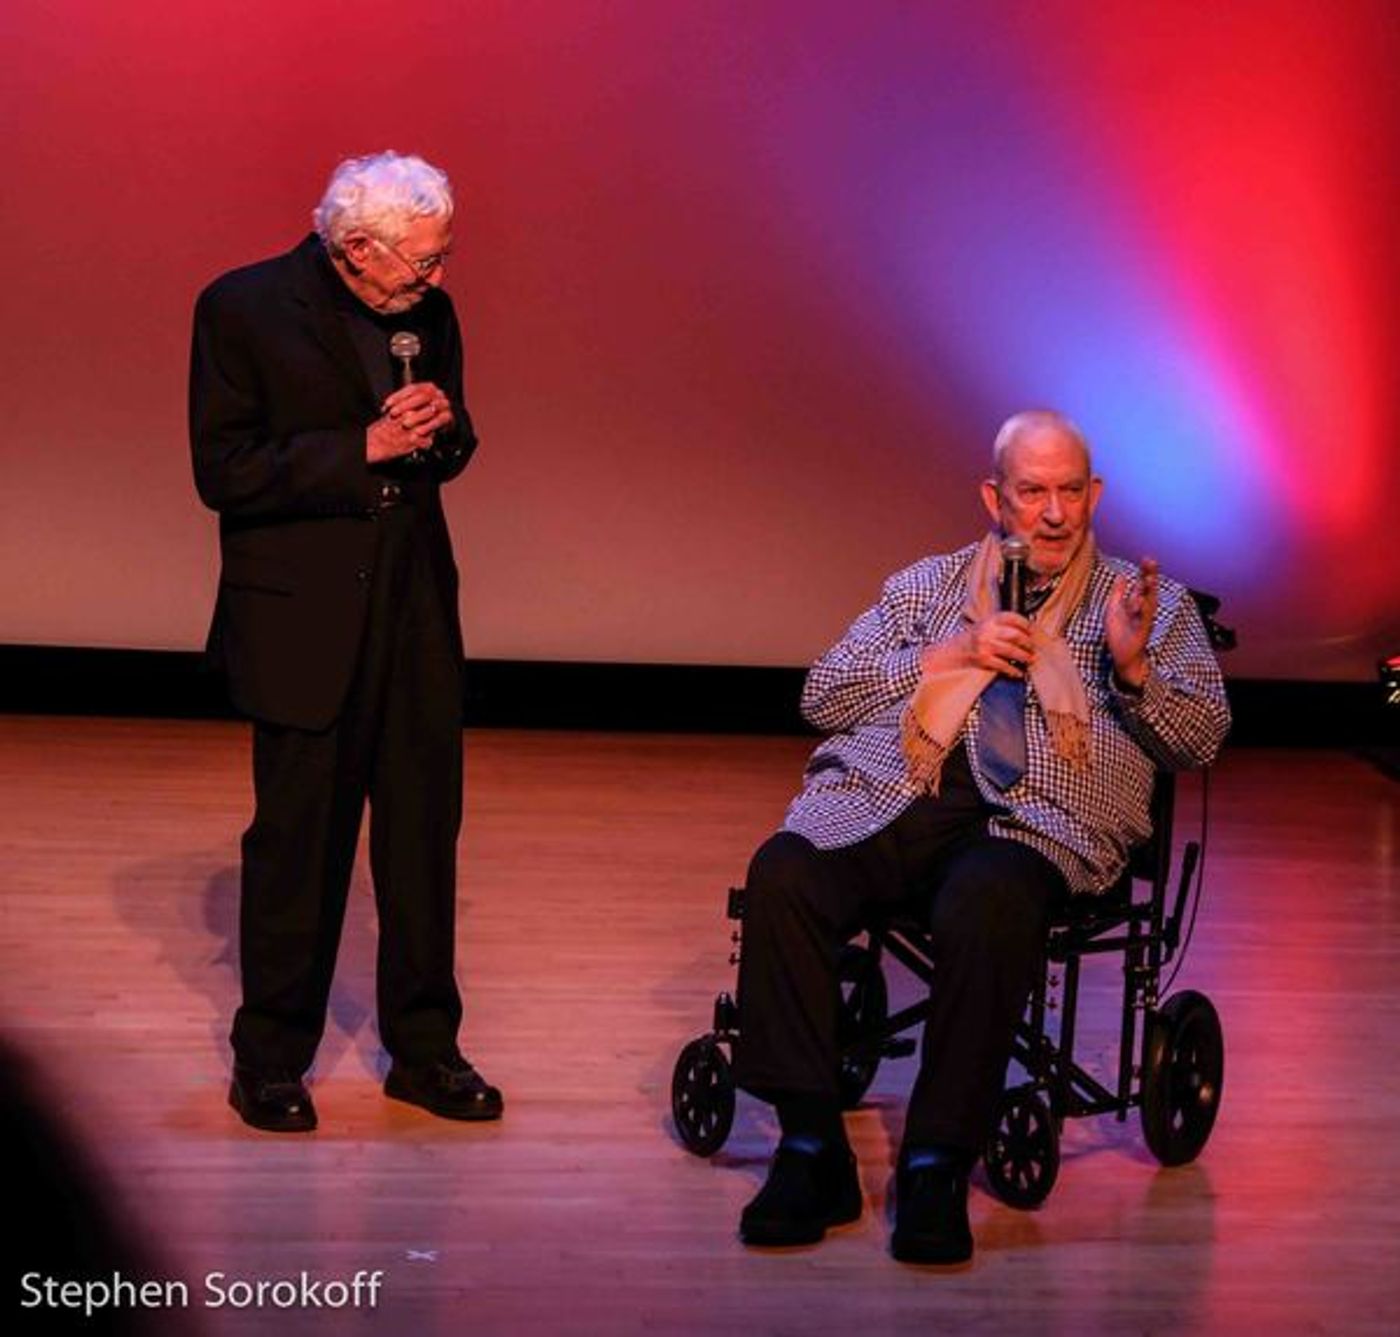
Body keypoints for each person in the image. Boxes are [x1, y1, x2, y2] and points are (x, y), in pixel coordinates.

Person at [730, 410, 1229, 1264]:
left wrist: (1134, 670)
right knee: (784, 872)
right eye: (1033, 491)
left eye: (1071, 490)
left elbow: (1203, 737)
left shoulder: (1147, 603)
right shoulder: (927, 588)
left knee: (985, 898)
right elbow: (824, 694)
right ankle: (811, 1146)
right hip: (907, 796)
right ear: (994, 496)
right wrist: (947, 653)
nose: (1055, 512)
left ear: (1095, 493)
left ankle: (933, 1160)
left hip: (1042, 820)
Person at [190, 151, 501, 1132]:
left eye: (441, 259)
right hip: (302, 615)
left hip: (412, 611)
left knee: (420, 841)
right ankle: (271, 1058)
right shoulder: (240, 307)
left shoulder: (429, 315)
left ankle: (424, 1049)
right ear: (356, 247)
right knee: (298, 846)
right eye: (421, 262)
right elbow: (225, 470)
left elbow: (451, 449)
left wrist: (443, 427)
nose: (436, 279)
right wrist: (357, 447)